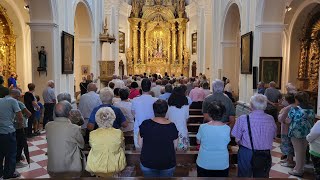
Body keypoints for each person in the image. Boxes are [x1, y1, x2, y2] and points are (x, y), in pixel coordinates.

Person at [232, 94, 276, 177]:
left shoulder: (243, 118)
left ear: (251, 105)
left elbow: (237, 138)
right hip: (265, 153)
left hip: (247, 152)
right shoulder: (270, 118)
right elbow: (273, 136)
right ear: (265, 106)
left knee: (244, 176)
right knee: (262, 176)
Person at [138, 100, 178, 177]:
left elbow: (140, 144)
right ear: (166, 111)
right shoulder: (172, 126)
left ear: (154, 110)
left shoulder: (145, 124)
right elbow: (175, 146)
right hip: (167, 163)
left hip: (148, 162)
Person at [46, 101, 85, 177]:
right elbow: (82, 145)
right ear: (70, 113)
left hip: (52, 168)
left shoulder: (48, 126)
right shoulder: (75, 128)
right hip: (70, 169)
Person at [86, 107, 126, 177]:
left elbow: (92, 147)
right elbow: (122, 146)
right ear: (113, 118)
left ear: (97, 119)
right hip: (115, 166)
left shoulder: (92, 134)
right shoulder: (118, 133)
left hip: (96, 166)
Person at [196, 101, 230, 177]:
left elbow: (198, 142)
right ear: (223, 114)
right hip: (222, 162)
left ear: (209, 114)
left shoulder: (203, 127)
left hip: (204, 161)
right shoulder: (227, 128)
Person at [288, 92, 315, 177]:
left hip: (296, 133)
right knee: (302, 151)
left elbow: (288, 121)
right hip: (307, 132)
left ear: (297, 100)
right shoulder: (311, 109)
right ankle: (299, 167)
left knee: (297, 152)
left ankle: (298, 171)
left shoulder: (295, 109)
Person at [0, 89, 23, 179]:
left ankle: (0, 172)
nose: (18, 99)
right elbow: (20, 116)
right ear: (16, 96)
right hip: (8, 131)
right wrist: (19, 125)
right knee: (11, 153)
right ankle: (9, 173)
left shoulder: (0, 100)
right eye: (18, 97)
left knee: (0, 153)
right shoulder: (13, 101)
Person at [132, 78, 157, 149]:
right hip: (152, 129)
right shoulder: (156, 100)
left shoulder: (135, 100)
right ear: (150, 87)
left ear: (141, 87)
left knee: (140, 151)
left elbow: (133, 114)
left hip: (139, 128)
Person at [167, 87, 189, 151]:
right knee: (182, 151)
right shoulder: (186, 106)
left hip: (171, 130)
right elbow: (186, 119)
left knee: (171, 151)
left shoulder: (169, 106)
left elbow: (167, 118)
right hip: (182, 130)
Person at [278, 93, 295, 168]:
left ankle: (290, 161)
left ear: (288, 101)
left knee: (287, 145)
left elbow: (281, 119)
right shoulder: (294, 106)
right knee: (289, 144)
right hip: (291, 129)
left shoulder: (287, 108)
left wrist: (280, 114)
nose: (282, 100)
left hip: (286, 129)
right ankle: (288, 159)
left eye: (284, 99)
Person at [14, 97, 31, 167]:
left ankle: (17, 157)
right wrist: (25, 117)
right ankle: (17, 160)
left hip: (12, 126)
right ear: (18, 96)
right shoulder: (19, 103)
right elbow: (29, 113)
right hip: (21, 126)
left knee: (16, 143)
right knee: (21, 144)